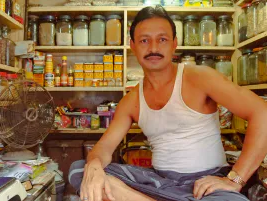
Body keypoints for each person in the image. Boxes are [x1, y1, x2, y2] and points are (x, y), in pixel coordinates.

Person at [69, 5, 267, 201]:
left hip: (209, 183)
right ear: (133, 46)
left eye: (162, 39)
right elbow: (104, 147)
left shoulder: (199, 77)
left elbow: (262, 112)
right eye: (144, 40)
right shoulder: (131, 100)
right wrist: (94, 166)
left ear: (174, 44)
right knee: (79, 169)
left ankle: (128, 196)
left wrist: (235, 180)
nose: (153, 48)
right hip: (160, 183)